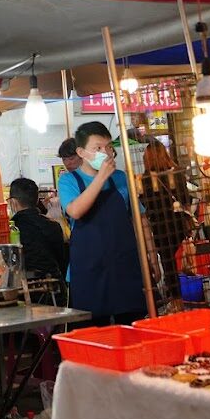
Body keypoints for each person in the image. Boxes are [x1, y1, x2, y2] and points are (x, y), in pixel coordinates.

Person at [57, 121, 148, 324]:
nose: (105, 153)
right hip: (89, 272)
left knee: (132, 327)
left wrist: (150, 256)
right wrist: (101, 178)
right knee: (93, 333)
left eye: (108, 147)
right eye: (97, 148)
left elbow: (139, 220)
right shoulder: (69, 181)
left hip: (124, 267)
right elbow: (75, 211)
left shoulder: (121, 178)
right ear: (81, 152)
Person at [140, 139, 193, 289]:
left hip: (160, 227)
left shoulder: (146, 179)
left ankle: (175, 295)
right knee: (184, 258)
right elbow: (186, 200)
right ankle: (189, 290)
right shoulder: (177, 173)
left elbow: (144, 205)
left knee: (169, 263)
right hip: (179, 224)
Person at [9, 178, 67, 280]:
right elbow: (62, 262)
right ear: (36, 200)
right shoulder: (54, 226)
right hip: (55, 287)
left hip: (25, 288)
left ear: (13, 202)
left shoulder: (12, 230)